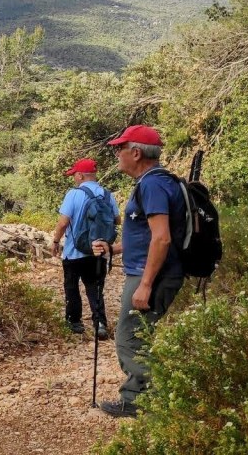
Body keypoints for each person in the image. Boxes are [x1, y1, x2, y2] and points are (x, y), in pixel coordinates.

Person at [92, 125, 186, 418]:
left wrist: (145, 284)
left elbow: (162, 238)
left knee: (129, 338)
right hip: (153, 271)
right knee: (137, 336)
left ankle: (140, 401)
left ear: (135, 153)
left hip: (152, 275)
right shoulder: (156, 182)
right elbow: (149, 235)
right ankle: (149, 397)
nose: (116, 154)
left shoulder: (152, 185)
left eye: (119, 149)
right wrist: (115, 248)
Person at [51, 158, 120, 339]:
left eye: (74, 174)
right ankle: (100, 324)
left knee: (71, 287)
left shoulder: (73, 194)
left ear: (80, 175)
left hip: (74, 253)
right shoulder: (107, 194)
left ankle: (75, 323)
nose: (74, 177)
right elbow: (117, 220)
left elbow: (63, 222)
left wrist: (56, 241)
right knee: (95, 288)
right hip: (98, 251)